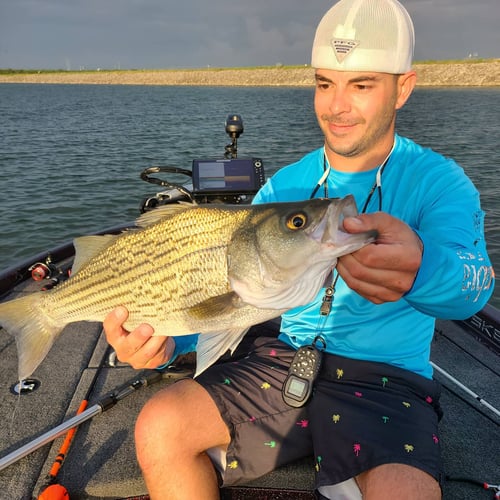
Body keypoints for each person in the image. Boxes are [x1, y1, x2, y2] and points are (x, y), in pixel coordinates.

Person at [103, 0, 495, 498]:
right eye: (324, 83)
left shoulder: (441, 184)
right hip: (282, 356)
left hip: (388, 381)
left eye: (362, 85)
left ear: (404, 88)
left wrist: (424, 266)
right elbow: (232, 293)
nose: (336, 107)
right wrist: (163, 344)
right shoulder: (284, 187)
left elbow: (472, 283)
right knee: (161, 423)